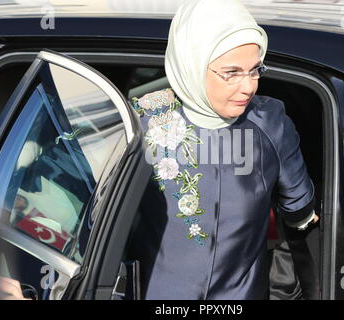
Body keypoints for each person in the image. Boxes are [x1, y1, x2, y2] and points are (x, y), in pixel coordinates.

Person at [127, 0, 319, 300]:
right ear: (191, 62)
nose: (249, 87)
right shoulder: (139, 125)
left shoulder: (271, 124)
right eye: (231, 73)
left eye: (255, 70)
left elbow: (301, 213)